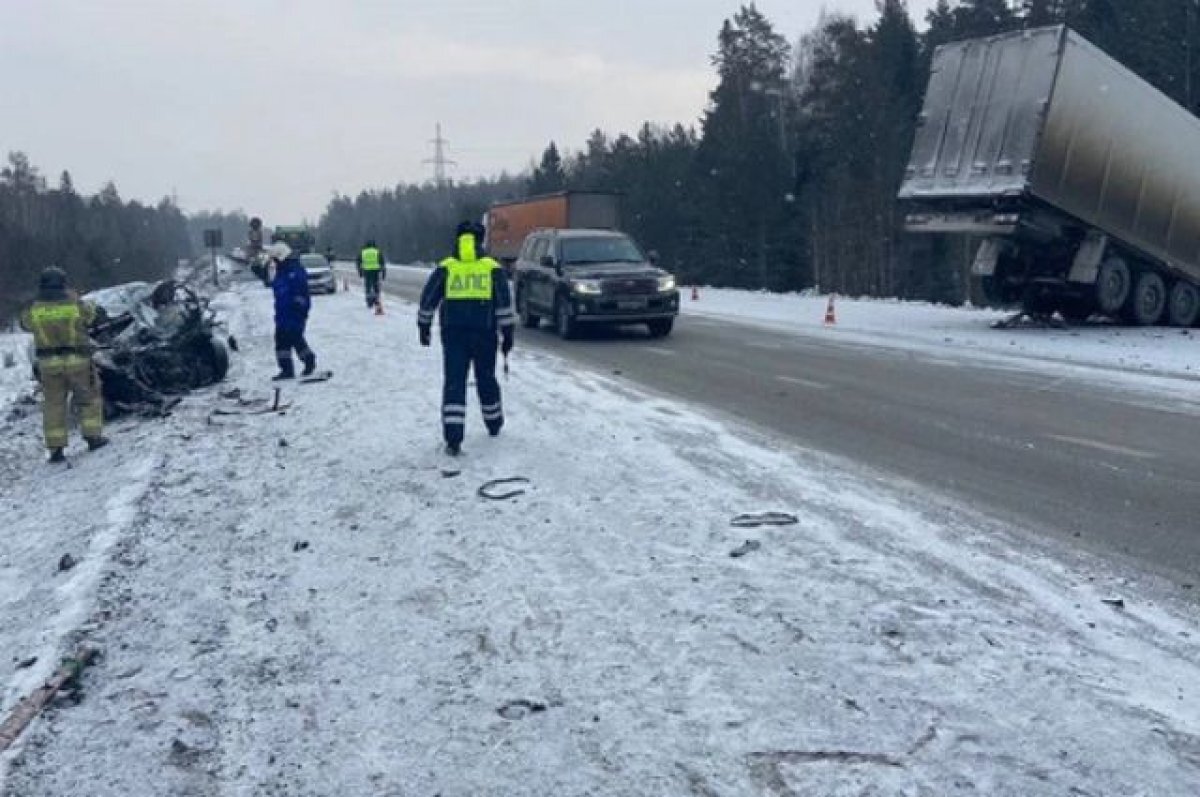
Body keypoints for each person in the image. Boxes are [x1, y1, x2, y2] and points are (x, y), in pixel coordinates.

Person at [418, 221, 515, 456]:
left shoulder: (446, 267)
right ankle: (493, 423)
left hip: (453, 334)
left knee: (454, 383)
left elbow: (428, 297)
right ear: (480, 241)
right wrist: (508, 333)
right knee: (486, 379)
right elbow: (504, 304)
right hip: (485, 333)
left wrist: (424, 325)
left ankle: (453, 438)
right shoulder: (492, 268)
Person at [19, 268, 108, 462]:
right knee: (88, 398)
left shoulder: (35, 308)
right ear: (63, 282)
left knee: (53, 405)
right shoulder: (74, 303)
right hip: (77, 361)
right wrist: (78, 298)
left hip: (49, 365)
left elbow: (24, 324)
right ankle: (93, 438)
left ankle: (56, 449)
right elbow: (91, 316)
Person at [268, 242, 317, 380]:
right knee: (282, 341)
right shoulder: (281, 271)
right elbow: (275, 287)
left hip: (294, 312)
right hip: (282, 312)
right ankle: (287, 369)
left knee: (295, 338)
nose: (274, 262)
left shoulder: (294, 271)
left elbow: (300, 292)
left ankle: (309, 360)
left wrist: (299, 308)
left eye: (275, 259)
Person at [357, 239, 386, 308]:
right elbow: (382, 263)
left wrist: (360, 272)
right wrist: (384, 273)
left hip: (366, 271)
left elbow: (358, 262)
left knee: (368, 286)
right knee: (376, 285)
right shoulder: (377, 251)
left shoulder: (363, 252)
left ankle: (369, 301)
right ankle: (376, 300)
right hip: (375, 271)